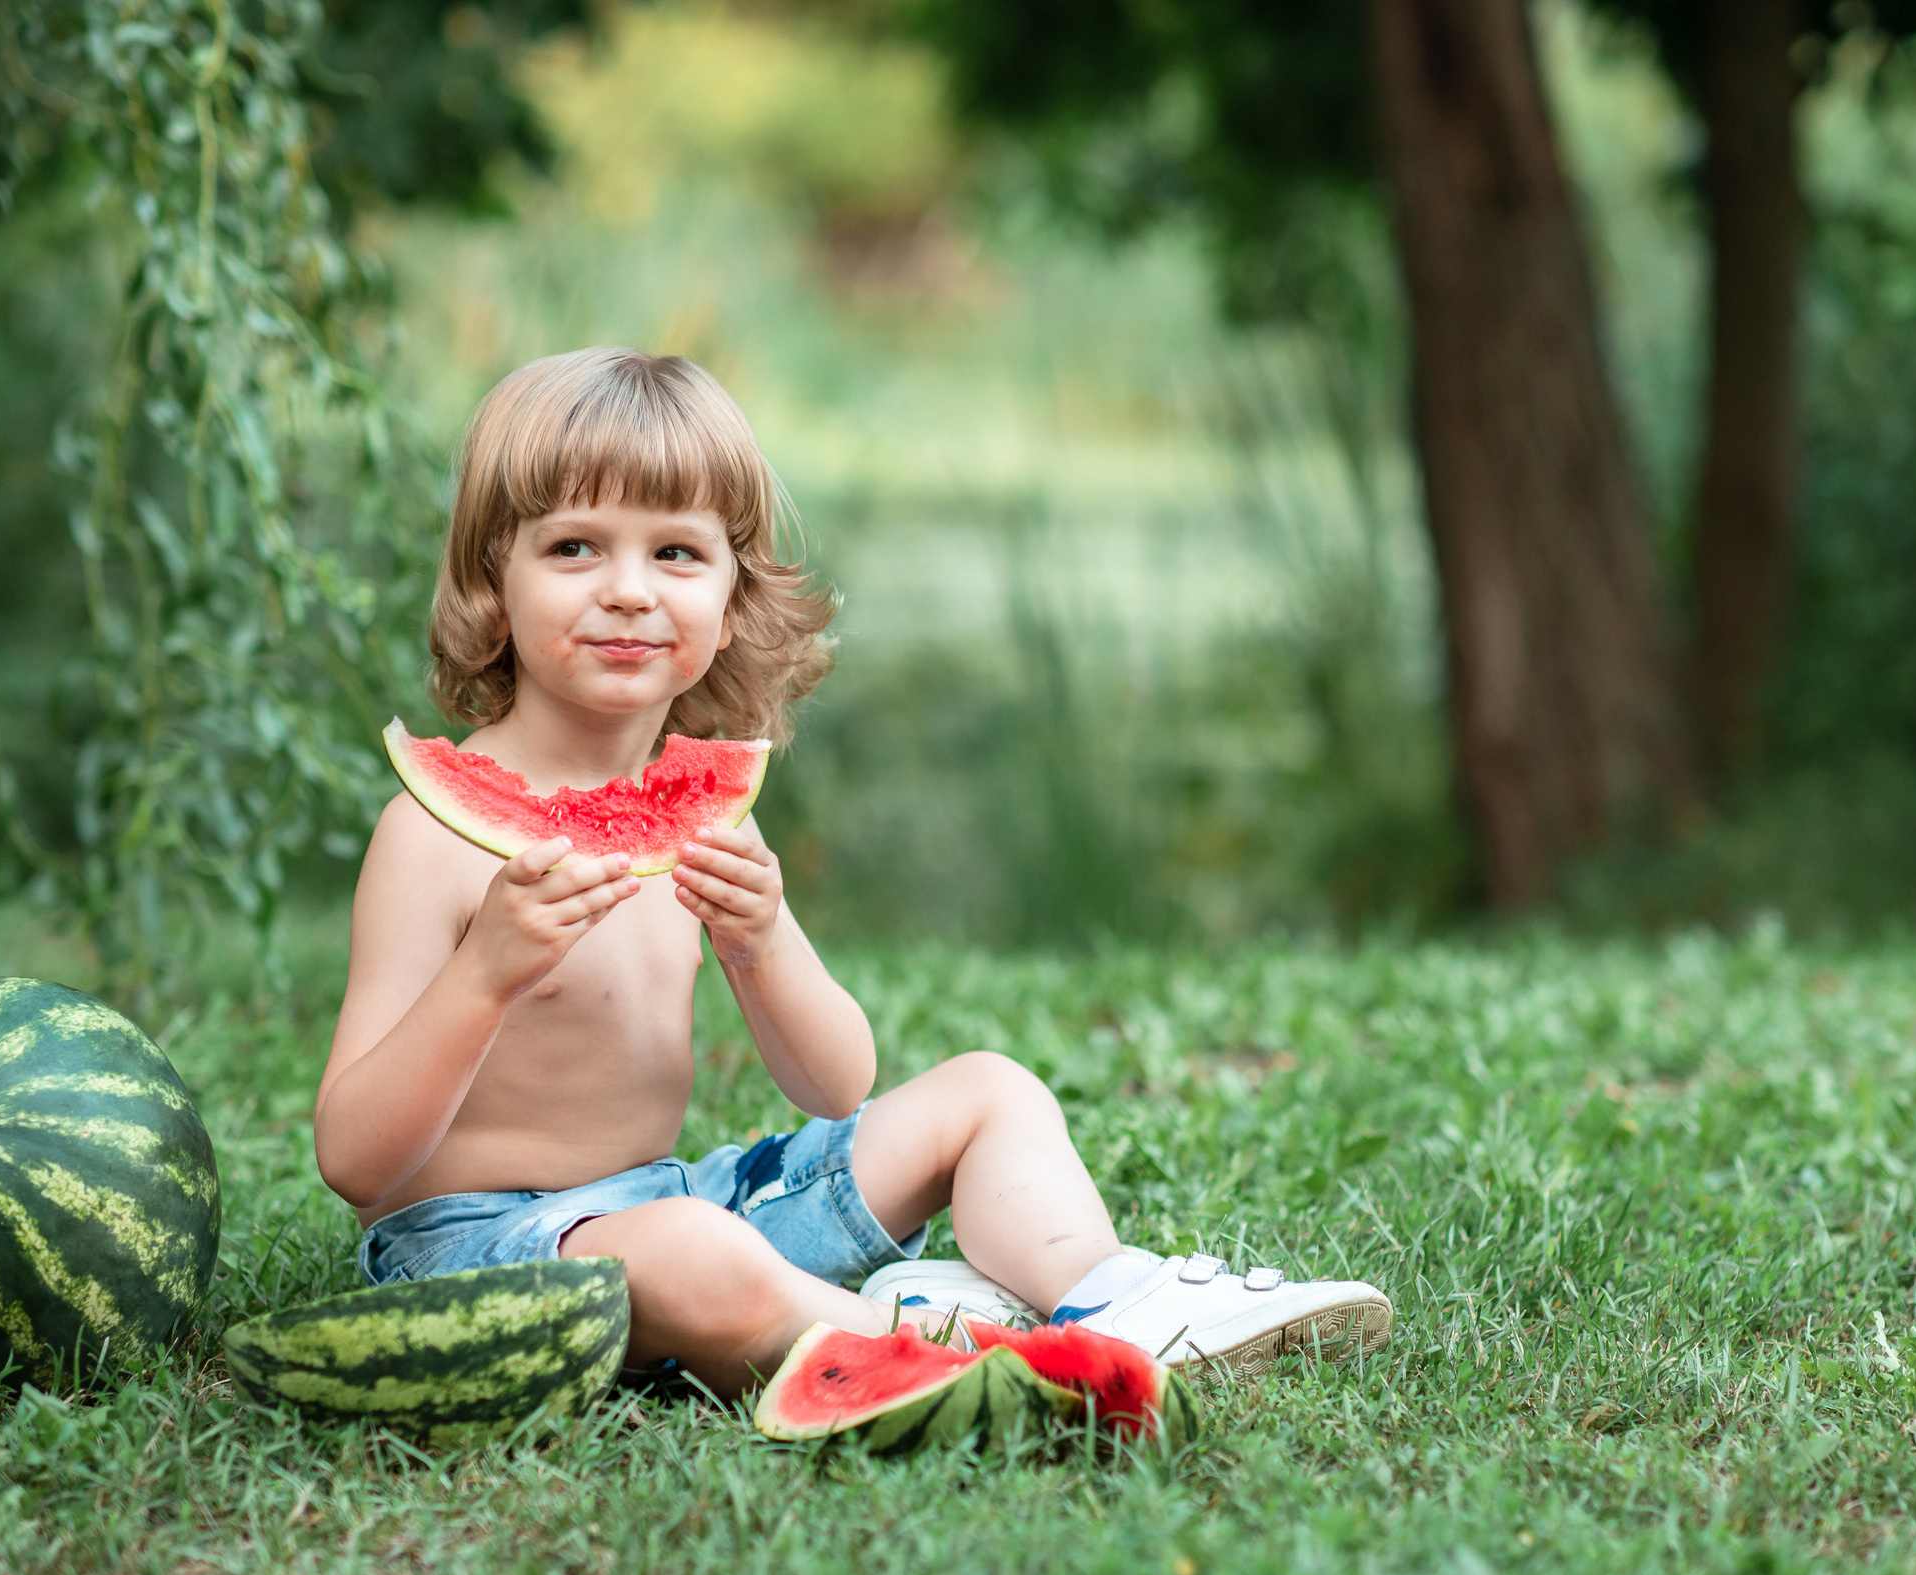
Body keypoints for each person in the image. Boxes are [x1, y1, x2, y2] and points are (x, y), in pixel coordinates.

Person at [314, 347, 1392, 1394]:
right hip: (474, 1245)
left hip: (675, 1196)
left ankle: (1115, 1295)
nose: (631, 591)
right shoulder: (432, 834)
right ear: (492, 579)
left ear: (734, 594)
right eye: (574, 548)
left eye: (676, 554)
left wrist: (760, 938)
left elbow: (835, 1086)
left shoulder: (708, 811)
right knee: (694, 1249)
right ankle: (957, 1355)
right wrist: (485, 972)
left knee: (987, 1089)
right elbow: (356, 1158)